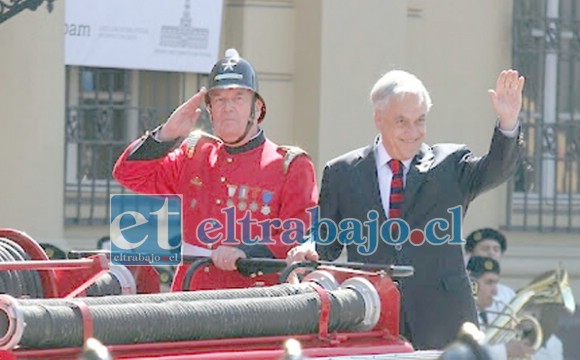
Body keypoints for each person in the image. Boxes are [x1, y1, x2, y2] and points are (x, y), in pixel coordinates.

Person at [286, 68, 525, 349]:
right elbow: (328, 242)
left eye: (420, 121)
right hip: (374, 318)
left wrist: (508, 122)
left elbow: (496, 170)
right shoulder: (343, 172)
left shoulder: (450, 164)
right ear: (379, 119)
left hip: (444, 323)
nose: (413, 132)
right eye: (402, 121)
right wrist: (310, 247)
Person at [113, 48, 318, 290]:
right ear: (209, 109)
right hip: (191, 295)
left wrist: (245, 252)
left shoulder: (290, 165)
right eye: (219, 99)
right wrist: (167, 135)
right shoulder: (194, 154)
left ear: (258, 108)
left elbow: (297, 235)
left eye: (238, 98)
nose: (227, 107)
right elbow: (128, 174)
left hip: (256, 304)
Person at [467, 256, 535, 359]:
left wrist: (526, 331)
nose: (495, 291)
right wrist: (505, 350)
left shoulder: (499, 311)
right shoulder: (461, 314)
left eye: (496, 283)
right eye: (489, 283)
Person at [465, 228, 516, 323]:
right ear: (470, 254)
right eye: (485, 249)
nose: (491, 253)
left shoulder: (508, 293)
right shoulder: (461, 290)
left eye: (496, 249)